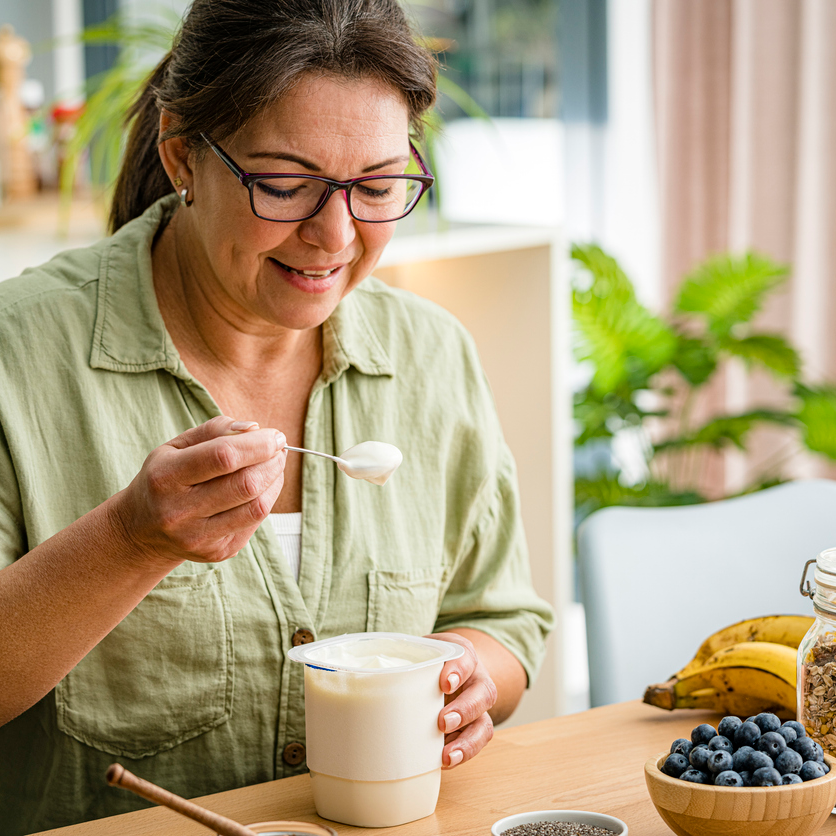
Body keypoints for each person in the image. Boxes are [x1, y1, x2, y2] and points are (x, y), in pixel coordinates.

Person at [0, 0, 554, 831]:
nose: (334, 235)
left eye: (376, 186)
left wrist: (471, 673)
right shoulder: (21, 356)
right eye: (286, 185)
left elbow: (502, 616)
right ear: (182, 153)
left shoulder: (432, 356)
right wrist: (128, 542)